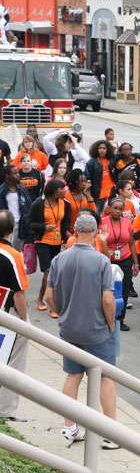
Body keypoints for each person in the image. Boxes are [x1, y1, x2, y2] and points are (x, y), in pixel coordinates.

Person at [44, 214, 118, 449]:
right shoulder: (101, 261)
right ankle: (109, 433)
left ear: (74, 232)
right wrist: (111, 325)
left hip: (70, 329)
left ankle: (70, 427)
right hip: (96, 329)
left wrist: (60, 313)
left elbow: (48, 296)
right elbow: (108, 299)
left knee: (73, 375)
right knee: (105, 377)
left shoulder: (59, 259)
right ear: (96, 233)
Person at [0, 210, 30, 421]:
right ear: (12, 229)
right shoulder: (13, 255)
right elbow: (19, 293)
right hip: (8, 316)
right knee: (13, 363)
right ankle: (6, 412)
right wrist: (25, 320)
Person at [29, 179, 70, 317]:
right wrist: (44, 227)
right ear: (53, 191)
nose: (64, 191)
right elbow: (30, 223)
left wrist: (65, 239)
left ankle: (40, 297)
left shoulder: (65, 204)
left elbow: (65, 224)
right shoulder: (38, 204)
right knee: (48, 271)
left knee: (54, 272)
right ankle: (52, 304)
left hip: (57, 241)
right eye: (62, 189)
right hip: (42, 240)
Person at [101, 197, 138, 331]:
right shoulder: (103, 222)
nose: (117, 211)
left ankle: (119, 318)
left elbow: (132, 243)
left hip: (125, 259)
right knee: (107, 289)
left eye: (120, 209)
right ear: (110, 208)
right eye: (115, 208)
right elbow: (99, 241)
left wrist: (136, 263)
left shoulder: (127, 223)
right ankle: (106, 316)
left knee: (124, 289)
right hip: (108, 260)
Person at [0, 165, 31, 251]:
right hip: (7, 224)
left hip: (21, 225)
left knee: (17, 251)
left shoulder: (22, 190)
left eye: (18, 172)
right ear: (7, 175)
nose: (18, 175)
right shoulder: (2, 191)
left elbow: (29, 206)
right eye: (15, 173)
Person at [86, 139, 115, 213]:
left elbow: (124, 155)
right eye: (100, 148)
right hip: (98, 194)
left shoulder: (112, 159)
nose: (102, 150)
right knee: (97, 214)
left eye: (104, 148)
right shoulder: (91, 162)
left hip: (111, 194)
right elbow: (87, 176)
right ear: (96, 149)